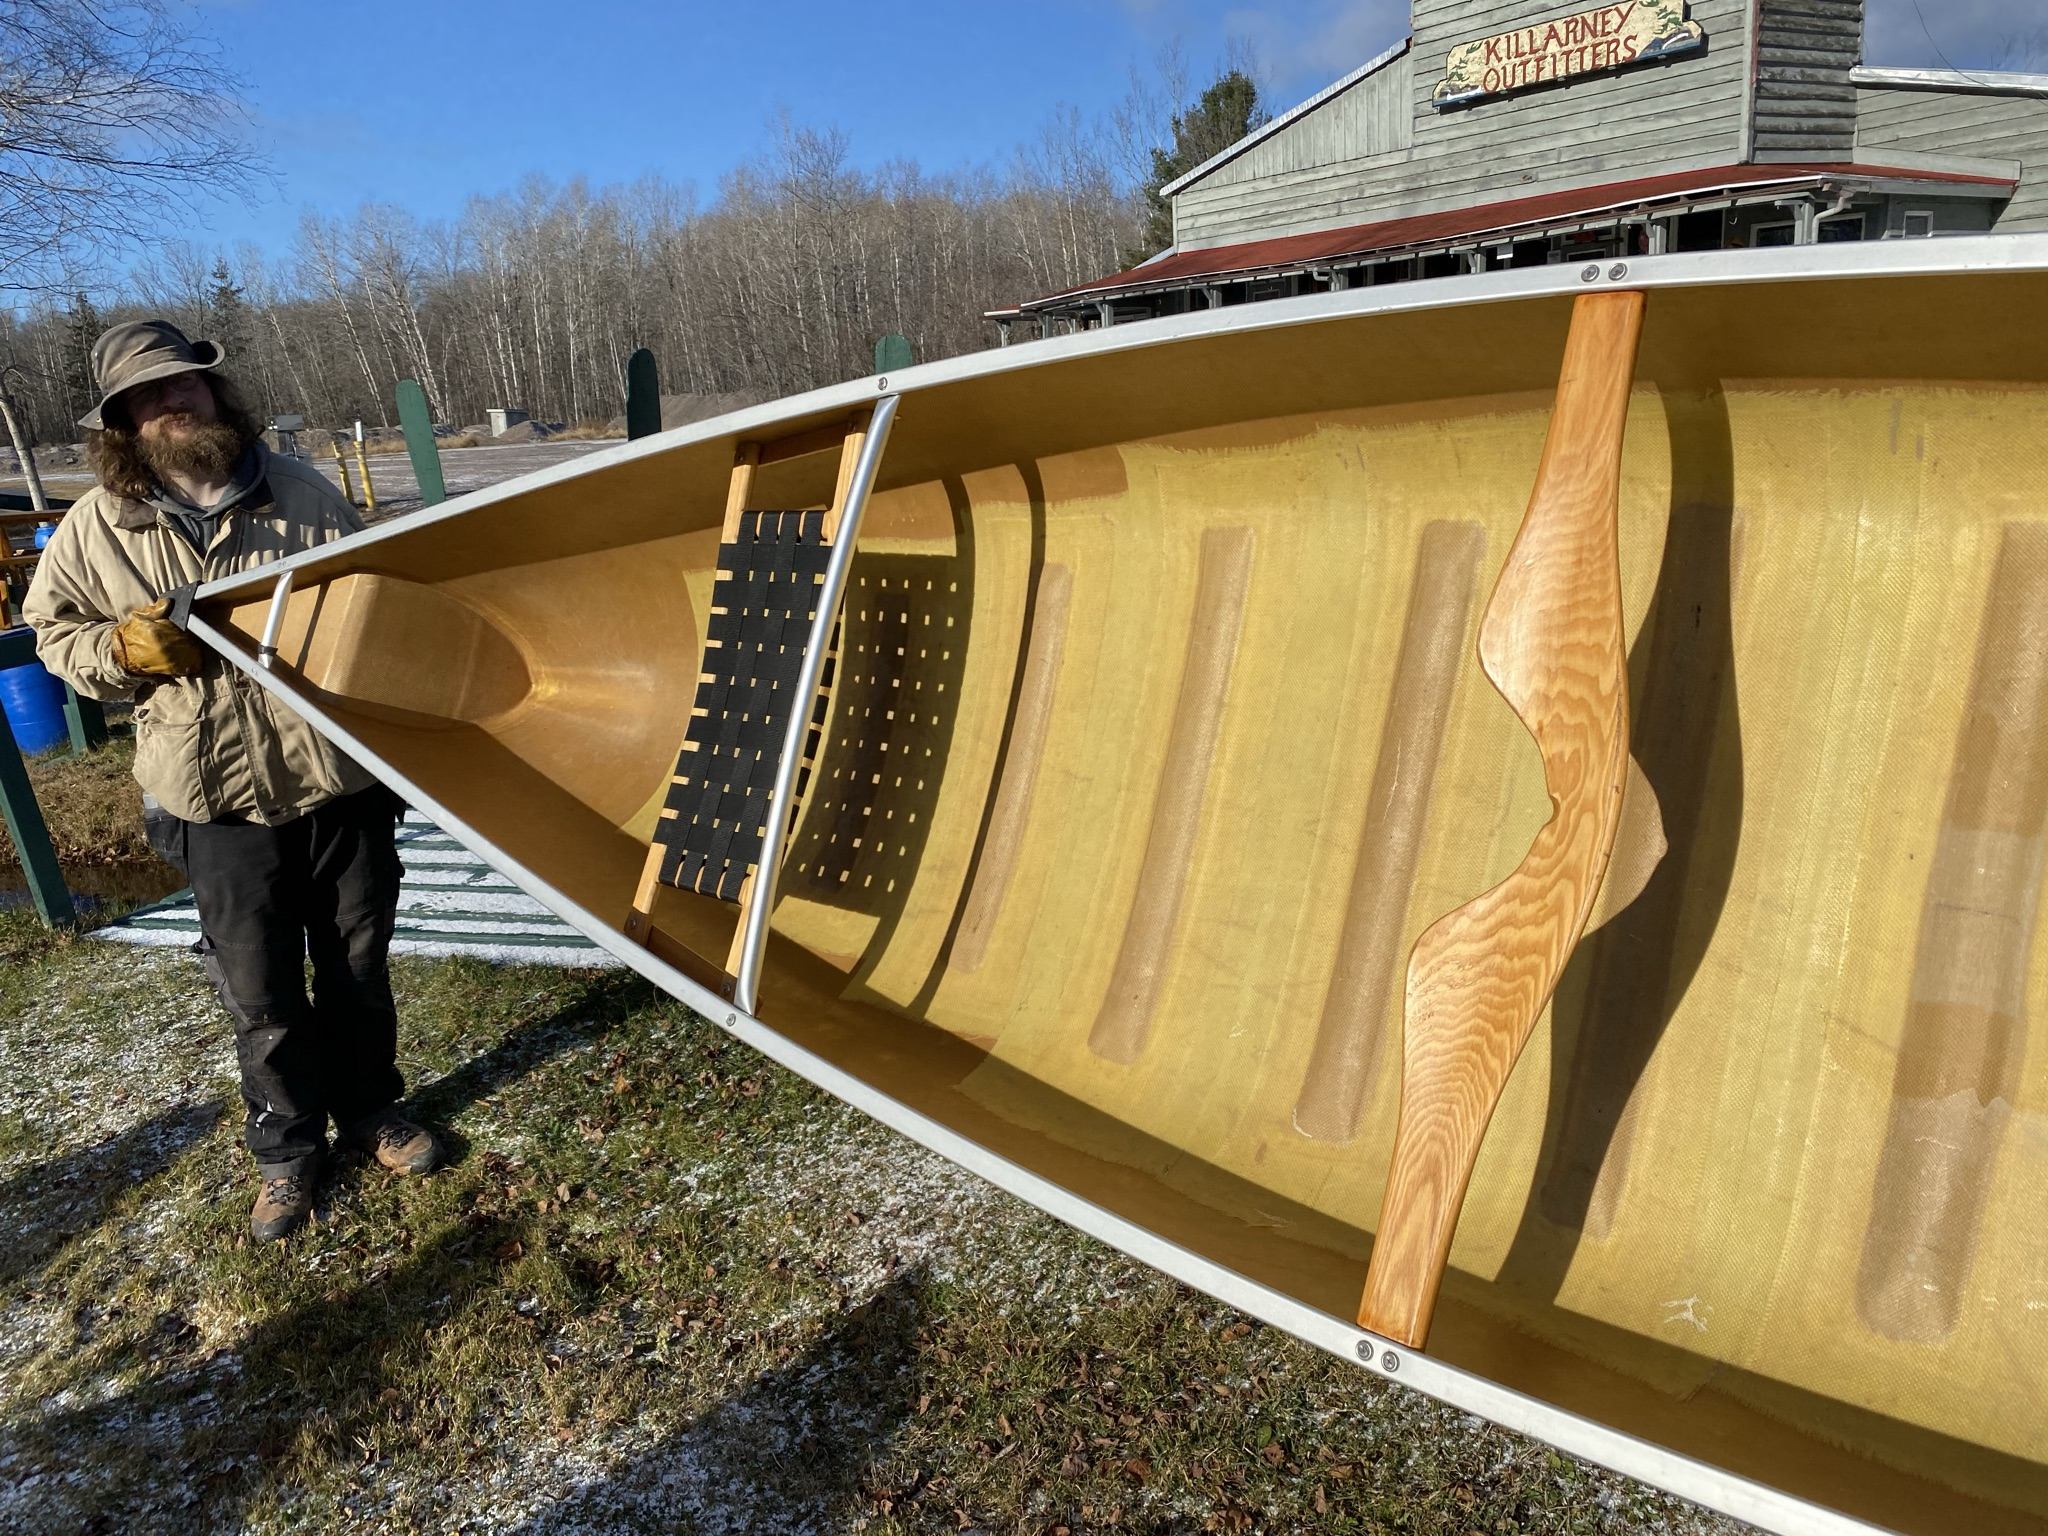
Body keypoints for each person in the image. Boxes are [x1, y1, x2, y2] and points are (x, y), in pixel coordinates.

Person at [24, 319, 444, 1241]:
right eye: (147, 395)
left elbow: (376, 600)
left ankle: (371, 1110)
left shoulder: (301, 493)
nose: (172, 401)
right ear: (122, 423)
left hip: (335, 782)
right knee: (260, 993)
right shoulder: (97, 527)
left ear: (214, 390)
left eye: (184, 383)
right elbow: (54, 636)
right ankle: (288, 1154)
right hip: (210, 798)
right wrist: (122, 651)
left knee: (358, 968)